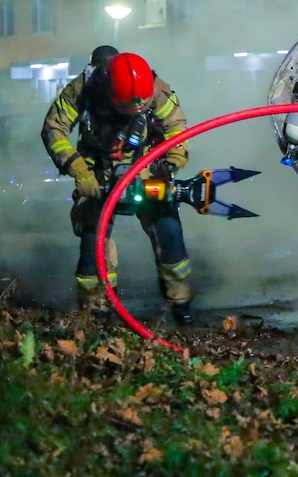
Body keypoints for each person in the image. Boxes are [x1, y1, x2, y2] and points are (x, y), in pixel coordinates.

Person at [41, 48, 195, 324]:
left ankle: (180, 301)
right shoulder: (82, 89)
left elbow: (177, 128)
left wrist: (170, 163)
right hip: (95, 170)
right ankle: (97, 309)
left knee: (168, 231)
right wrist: (79, 170)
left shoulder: (155, 88)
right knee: (94, 242)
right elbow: (55, 128)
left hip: (144, 165)